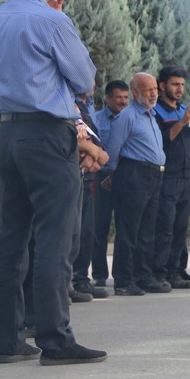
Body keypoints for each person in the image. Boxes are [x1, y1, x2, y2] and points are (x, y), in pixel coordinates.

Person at [0, 0, 105, 365]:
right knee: (54, 238)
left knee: (11, 238)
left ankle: (6, 340)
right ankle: (55, 339)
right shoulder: (52, 20)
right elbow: (84, 79)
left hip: (9, 134)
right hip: (47, 135)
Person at [104, 73, 168, 296]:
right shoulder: (127, 116)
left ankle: (143, 276)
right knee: (129, 229)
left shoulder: (150, 115)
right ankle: (123, 280)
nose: (153, 94)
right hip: (134, 174)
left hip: (153, 176)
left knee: (146, 230)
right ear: (135, 92)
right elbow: (113, 149)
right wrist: (112, 175)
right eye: (148, 90)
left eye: (155, 90)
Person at [152, 66, 190, 289]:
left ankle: (178, 270)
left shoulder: (183, 109)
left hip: (185, 174)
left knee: (181, 226)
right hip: (168, 175)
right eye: (175, 84)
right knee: (165, 226)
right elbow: (162, 142)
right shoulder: (156, 112)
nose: (179, 89)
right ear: (162, 86)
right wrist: (183, 122)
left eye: (182, 84)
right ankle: (159, 271)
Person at [70, 88, 110, 300]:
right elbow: (70, 133)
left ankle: (80, 279)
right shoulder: (67, 101)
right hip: (72, 171)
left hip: (86, 175)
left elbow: (92, 133)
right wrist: (93, 152)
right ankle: (69, 283)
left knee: (84, 232)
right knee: (71, 232)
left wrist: (95, 153)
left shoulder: (87, 107)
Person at [91, 80, 130, 286]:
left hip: (125, 178)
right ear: (107, 98)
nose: (123, 102)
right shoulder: (97, 120)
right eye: (118, 97)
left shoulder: (132, 118)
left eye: (125, 97)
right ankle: (99, 275)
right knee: (100, 228)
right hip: (101, 177)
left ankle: (123, 274)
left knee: (125, 227)